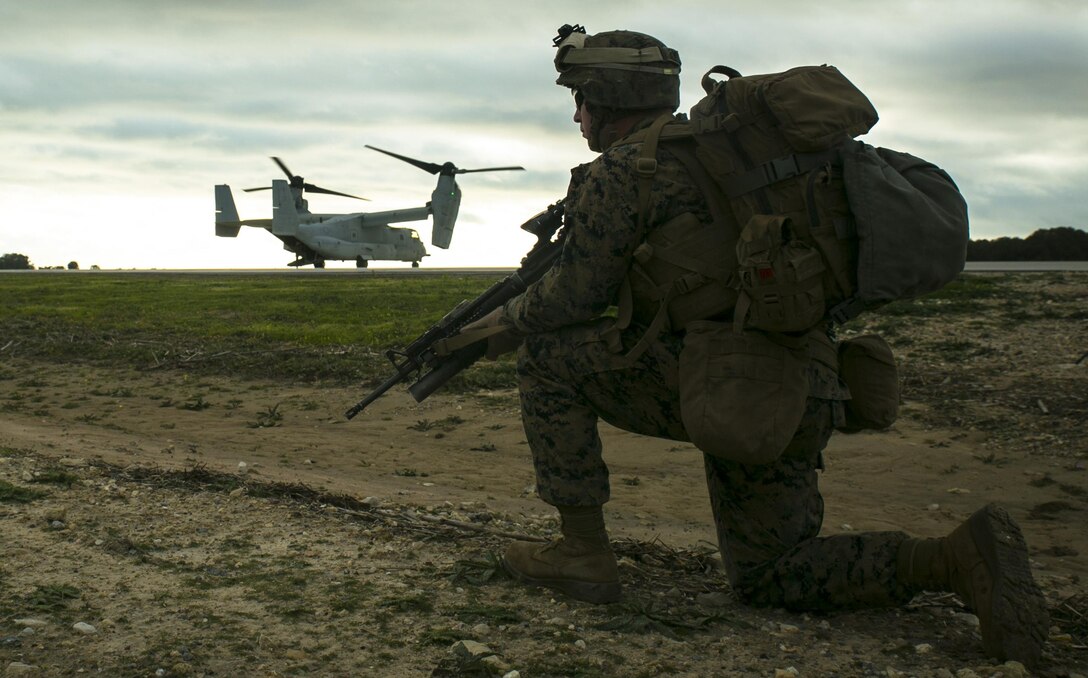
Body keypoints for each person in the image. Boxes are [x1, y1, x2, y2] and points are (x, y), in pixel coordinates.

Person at [460, 25, 1049, 668]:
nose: (577, 115)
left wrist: (502, 324)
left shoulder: (627, 171)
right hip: (806, 384)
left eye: (580, 98)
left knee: (547, 358)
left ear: (607, 96)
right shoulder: (760, 156)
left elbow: (571, 299)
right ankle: (952, 558)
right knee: (773, 574)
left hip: (726, 389)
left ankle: (580, 551)